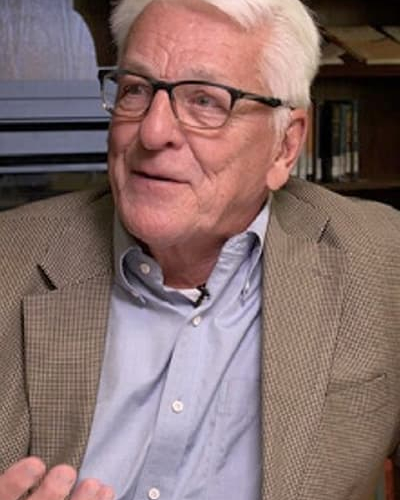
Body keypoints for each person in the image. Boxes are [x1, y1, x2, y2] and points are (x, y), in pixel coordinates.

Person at [0, 0, 399, 499]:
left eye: (206, 101)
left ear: (285, 147)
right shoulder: (9, 261)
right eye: (136, 90)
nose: (152, 132)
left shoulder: (382, 262)